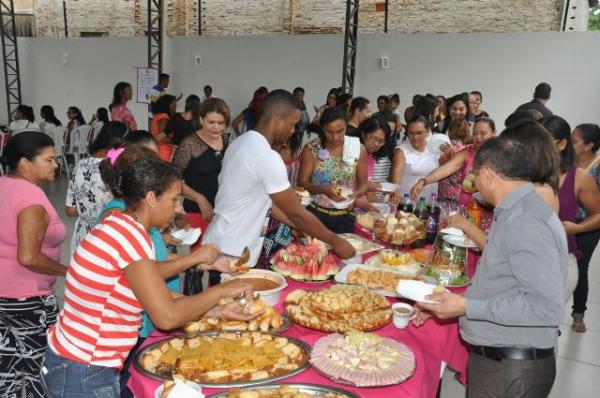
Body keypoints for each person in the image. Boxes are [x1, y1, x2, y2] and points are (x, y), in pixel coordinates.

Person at [43, 157, 255, 397]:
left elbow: (150, 291)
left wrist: (216, 310)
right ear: (152, 198)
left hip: (73, 359)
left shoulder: (121, 224)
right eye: (174, 199)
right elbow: (166, 316)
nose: (178, 208)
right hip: (85, 367)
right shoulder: (130, 236)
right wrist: (222, 290)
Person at [417, 135, 567, 398]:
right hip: (501, 362)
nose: (473, 185)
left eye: (473, 176)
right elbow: (502, 283)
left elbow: (545, 307)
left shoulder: (527, 221)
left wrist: (467, 307)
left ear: (486, 175)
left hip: (511, 369)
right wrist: (452, 304)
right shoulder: (514, 211)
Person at [203, 90, 355, 266]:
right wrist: (336, 241)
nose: (292, 131)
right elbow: (296, 213)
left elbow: (265, 201)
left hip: (219, 242)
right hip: (233, 253)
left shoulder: (240, 143)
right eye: (292, 124)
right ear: (278, 120)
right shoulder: (266, 156)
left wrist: (296, 225)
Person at [0, 132, 66, 398]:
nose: (56, 164)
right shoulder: (31, 197)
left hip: (4, 295)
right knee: (41, 367)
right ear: (25, 163)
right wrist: (68, 271)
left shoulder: (3, 185)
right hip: (28, 298)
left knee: (8, 364)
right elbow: (28, 257)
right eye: (49, 159)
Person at [542, 115, 600, 318]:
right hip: (527, 253)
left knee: (546, 319)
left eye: (544, 142)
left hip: (561, 258)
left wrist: (577, 228)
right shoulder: (529, 171)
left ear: (562, 144)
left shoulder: (580, 177)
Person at [298, 106, 368, 234]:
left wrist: (355, 195)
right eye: (329, 132)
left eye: (340, 131)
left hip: (345, 216)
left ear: (347, 126)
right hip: (316, 214)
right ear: (322, 129)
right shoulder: (312, 149)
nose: (335, 137)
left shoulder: (357, 148)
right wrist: (323, 189)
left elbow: (364, 185)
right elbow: (302, 183)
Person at [172, 98, 230, 244]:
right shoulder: (190, 144)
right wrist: (200, 198)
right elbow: (173, 180)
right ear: (201, 119)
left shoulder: (224, 140)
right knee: (200, 255)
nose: (216, 127)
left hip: (221, 210)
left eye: (220, 123)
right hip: (197, 211)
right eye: (211, 122)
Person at [65, 121, 128, 254]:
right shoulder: (115, 169)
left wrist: (88, 208)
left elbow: (70, 210)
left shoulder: (80, 165)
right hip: (107, 239)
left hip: (81, 238)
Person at [414, 118, 487, 205]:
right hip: (465, 206)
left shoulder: (500, 155)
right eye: (474, 133)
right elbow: (446, 169)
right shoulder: (466, 152)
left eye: (483, 133)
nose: (478, 137)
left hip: (489, 208)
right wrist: (423, 181)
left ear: (493, 133)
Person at [571, 123, 600, 332]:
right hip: (562, 225)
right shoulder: (567, 162)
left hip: (587, 228)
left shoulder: (597, 167)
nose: (569, 144)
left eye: (574, 141)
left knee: (580, 269)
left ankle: (578, 315)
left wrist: (577, 227)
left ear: (589, 145)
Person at [390, 116, 439, 201]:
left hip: (431, 202)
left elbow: (445, 168)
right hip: (407, 203)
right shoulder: (401, 150)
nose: (415, 137)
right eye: (411, 133)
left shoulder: (434, 146)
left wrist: (449, 154)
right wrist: (395, 192)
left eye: (419, 133)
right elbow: (396, 172)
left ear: (427, 131)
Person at [355, 117, 393, 211]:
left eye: (381, 141)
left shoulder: (371, 157)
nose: (376, 144)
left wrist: (380, 208)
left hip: (361, 205)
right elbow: (354, 184)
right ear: (363, 134)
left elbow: (368, 190)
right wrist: (382, 187)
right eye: (373, 138)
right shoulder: (352, 154)